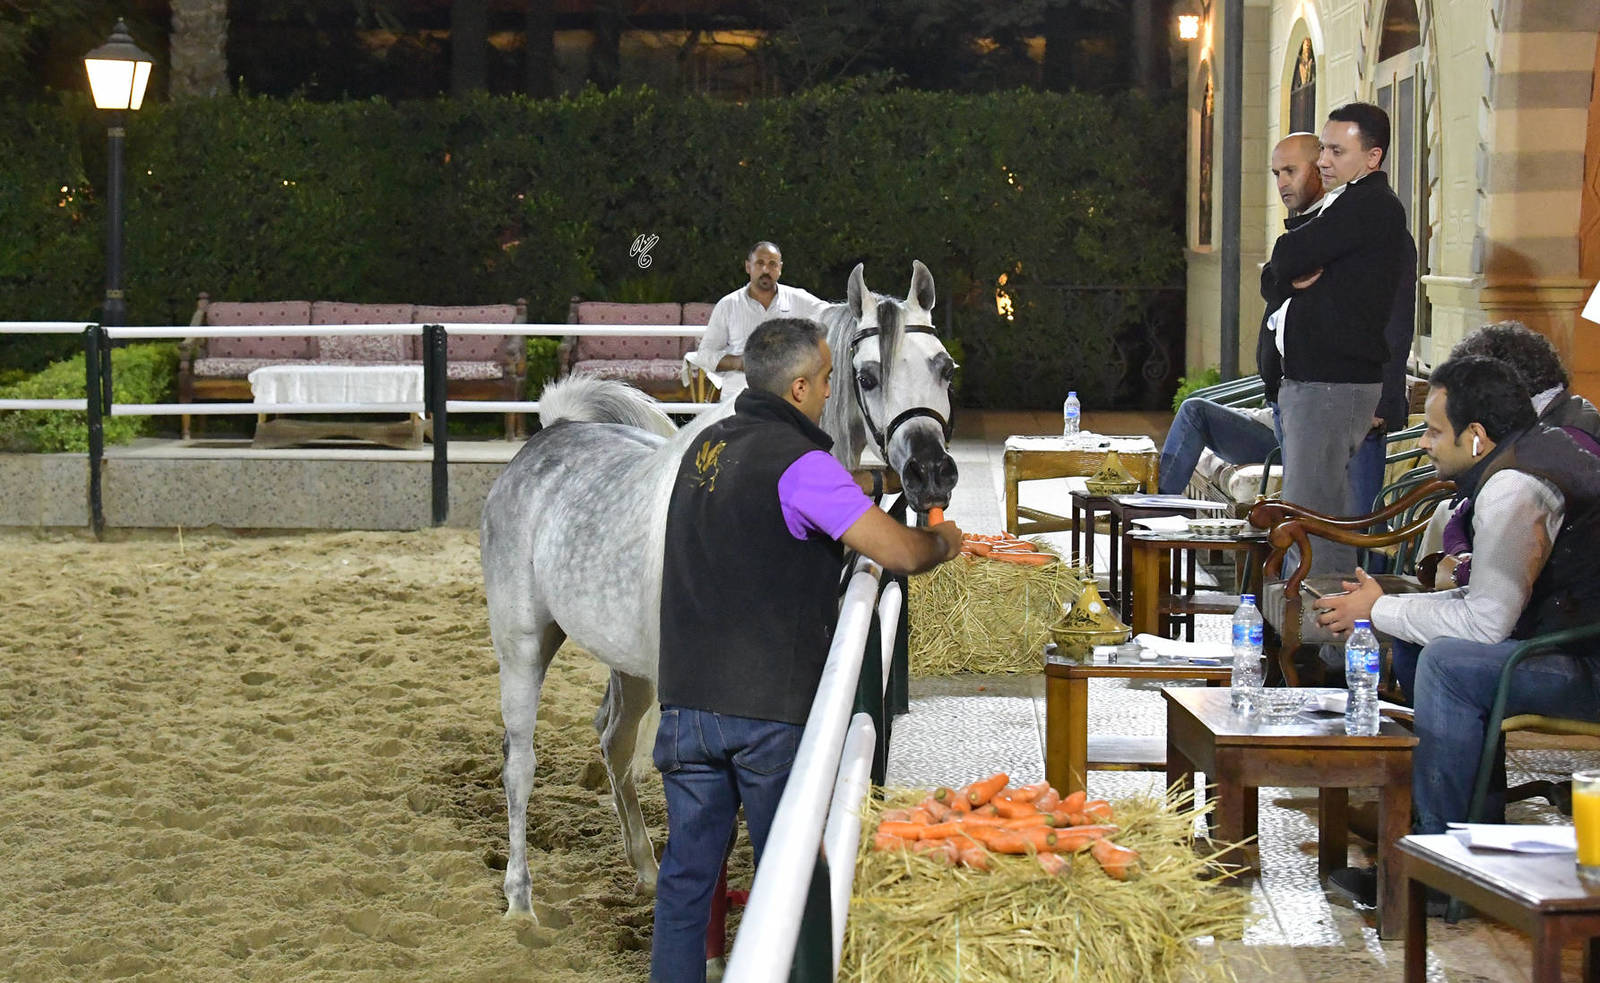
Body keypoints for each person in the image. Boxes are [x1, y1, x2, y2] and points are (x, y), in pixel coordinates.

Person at [650, 318, 962, 982]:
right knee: (790, 882)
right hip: (766, 710)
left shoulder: (705, 447)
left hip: (684, 704)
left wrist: (868, 487)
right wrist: (946, 541)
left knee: (683, 884)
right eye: (824, 380)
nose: (828, 392)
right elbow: (899, 551)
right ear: (797, 388)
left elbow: (776, 502)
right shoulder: (801, 465)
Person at [1312, 356, 1600, 907]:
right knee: (1424, 649)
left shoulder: (1515, 487)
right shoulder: (1523, 455)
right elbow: (1492, 598)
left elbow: (1488, 623)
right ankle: (1473, 848)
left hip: (1587, 667)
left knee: (1449, 664)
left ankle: (1436, 878)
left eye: (1433, 430)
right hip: (1569, 642)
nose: (1423, 443)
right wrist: (1388, 606)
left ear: (1476, 436)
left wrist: (1379, 611)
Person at [1260, 104, 1415, 574]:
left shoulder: (1367, 205)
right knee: (1312, 512)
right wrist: (1285, 273)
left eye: (1335, 150)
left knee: (1314, 522)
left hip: (1332, 386)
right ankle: (1310, 629)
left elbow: (1288, 253)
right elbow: (1277, 271)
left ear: (1372, 157)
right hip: (1314, 385)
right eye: (1323, 148)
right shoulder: (1346, 203)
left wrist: (1286, 268)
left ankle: (1319, 636)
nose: (1323, 161)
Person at [688, 241, 829, 401]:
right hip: (738, 400)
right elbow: (705, 354)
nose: (766, 270)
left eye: (772, 264)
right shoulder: (729, 305)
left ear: (780, 268)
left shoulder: (798, 300)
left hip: (787, 401)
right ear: (748, 267)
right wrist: (739, 363)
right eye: (760, 263)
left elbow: (831, 315)